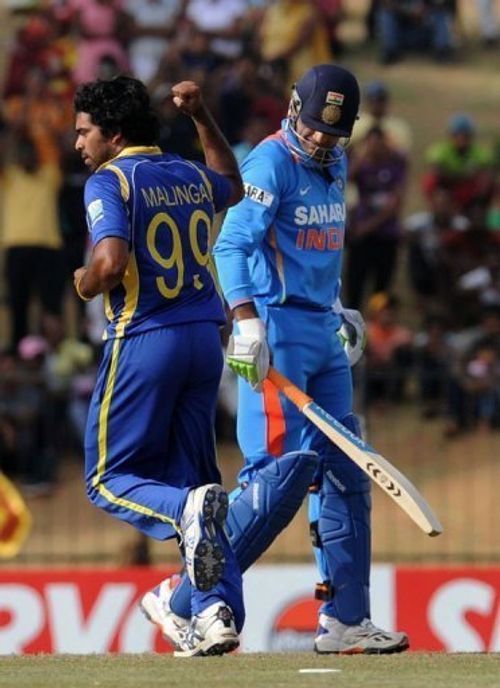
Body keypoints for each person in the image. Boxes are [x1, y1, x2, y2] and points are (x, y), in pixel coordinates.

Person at [147, 64, 409, 655]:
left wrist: (338, 305)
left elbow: (318, 242)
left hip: (319, 329)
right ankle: (181, 597)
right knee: (276, 479)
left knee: (346, 470)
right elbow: (231, 244)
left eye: (334, 133)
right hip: (274, 331)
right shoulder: (269, 162)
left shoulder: (334, 162)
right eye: (315, 127)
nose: (321, 139)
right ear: (294, 110)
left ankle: (346, 620)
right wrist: (245, 323)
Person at [72, 74, 244, 657]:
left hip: (146, 337)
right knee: (195, 480)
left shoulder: (108, 180)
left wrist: (86, 283)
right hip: (204, 341)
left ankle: (185, 511)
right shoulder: (188, 173)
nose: (79, 144)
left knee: (106, 479)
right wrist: (201, 116)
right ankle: (214, 612)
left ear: (113, 135)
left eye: (84, 132)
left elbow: (111, 259)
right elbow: (232, 184)